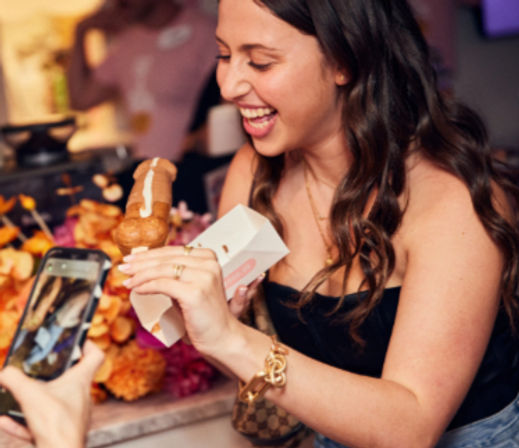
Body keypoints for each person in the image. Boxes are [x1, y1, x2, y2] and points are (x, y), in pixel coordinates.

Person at [3, 0, 519, 446]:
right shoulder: (255, 174)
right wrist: (192, 321)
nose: (228, 85)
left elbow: (411, 427)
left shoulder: (452, 202)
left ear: (344, 60)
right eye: (224, 55)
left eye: (260, 61)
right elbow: (250, 357)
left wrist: (232, 338)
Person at [67, 0, 218, 161]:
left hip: (194, 167)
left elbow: (227, 105)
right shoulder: (127, 42)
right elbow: (80, 99)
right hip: (145, 167)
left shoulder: (205, 31)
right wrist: (81, 30)